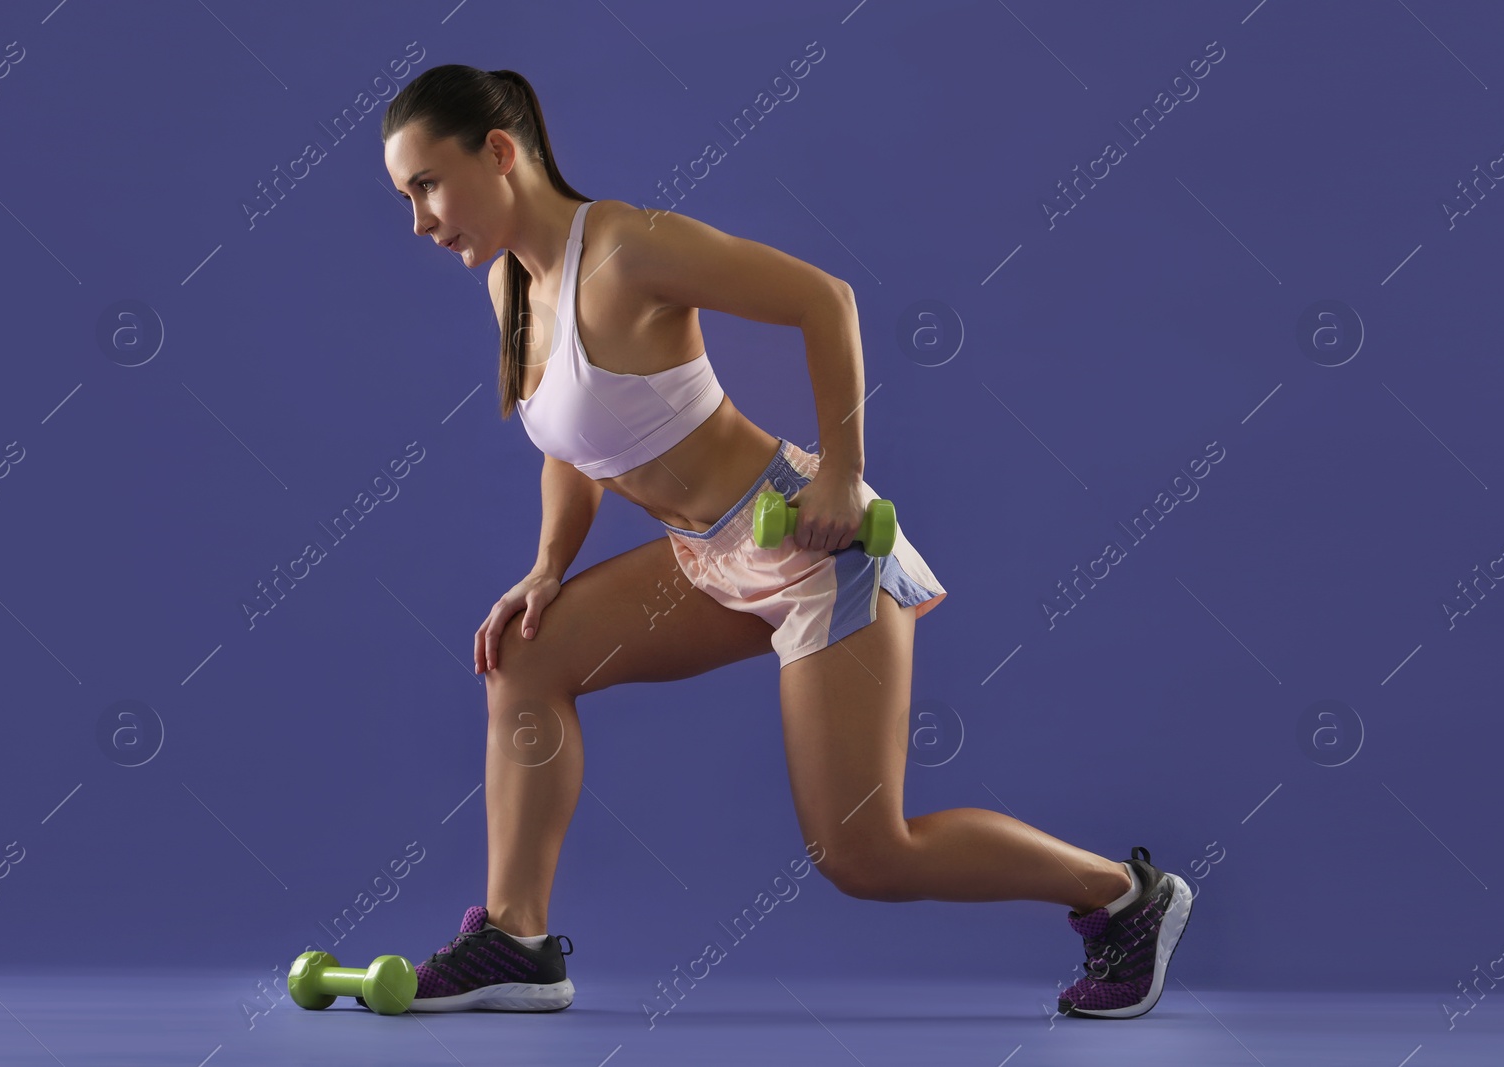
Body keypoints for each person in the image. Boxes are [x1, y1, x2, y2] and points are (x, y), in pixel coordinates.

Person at [379, 64, 1193, 1019]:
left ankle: (1128, 898)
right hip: (707, 557)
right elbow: (574, 447)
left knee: (864, 854)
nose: (421, 220)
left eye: (427, 184)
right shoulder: (513, 291)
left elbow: (824, 299)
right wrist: (547, 568)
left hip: (815, 546)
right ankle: (515, 941)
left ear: (501, 154)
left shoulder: (630, 249)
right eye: (406, 198)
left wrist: (844, 473)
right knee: (523, 652)